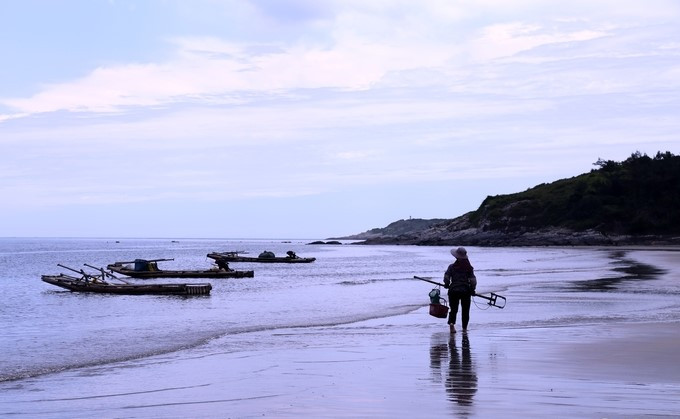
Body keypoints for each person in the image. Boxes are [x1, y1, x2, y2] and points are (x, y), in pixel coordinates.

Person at [443, 247, 477, 333]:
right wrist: (472, 290)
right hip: (465, 291)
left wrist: (447, 284)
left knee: (453, 309)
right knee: (465, 310)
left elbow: (446, 277)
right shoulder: (469, 268)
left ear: (456, 257)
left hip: (453, 290)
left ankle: (451, 325)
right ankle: (464, 328)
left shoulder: (452, 267)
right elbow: (473, 280)